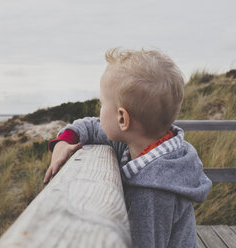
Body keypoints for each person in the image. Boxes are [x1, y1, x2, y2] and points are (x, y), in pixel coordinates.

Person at [43, 47, 212, 248]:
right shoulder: (137, 143)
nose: (100, 112)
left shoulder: (153, 192)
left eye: (102, 104)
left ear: (122, 118)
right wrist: (65, 140)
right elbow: (91, 125)